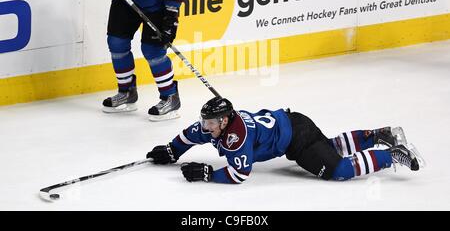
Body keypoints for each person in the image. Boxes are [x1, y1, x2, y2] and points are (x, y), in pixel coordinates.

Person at [146, 97, 423, 183]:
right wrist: (172, 150)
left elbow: (240, 174)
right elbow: (188, 136)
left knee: (338, 170)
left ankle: (393, 153)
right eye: (204, 122)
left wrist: (208, 174)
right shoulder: (214, 126)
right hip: (295, 121)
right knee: (330, 147)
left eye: (210, 123)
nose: (205, 128)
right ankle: (379, 135)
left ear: (224, 121)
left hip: (296, 140)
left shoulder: (236, 137)